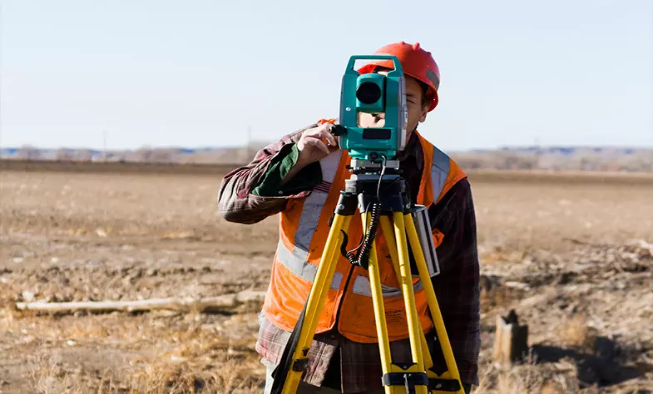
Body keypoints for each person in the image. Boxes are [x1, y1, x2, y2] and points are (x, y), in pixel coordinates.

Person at [218, 41, 480, 394]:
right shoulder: (317, 147)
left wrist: (457, 378)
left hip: (390, 358)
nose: (390, 110)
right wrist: (296, 160)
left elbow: (459, 290)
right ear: (356, 96)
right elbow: (233, 204)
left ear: (424, 111)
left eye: (406, 101)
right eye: (379, 95)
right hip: (299, 344)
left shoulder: (442, 179)